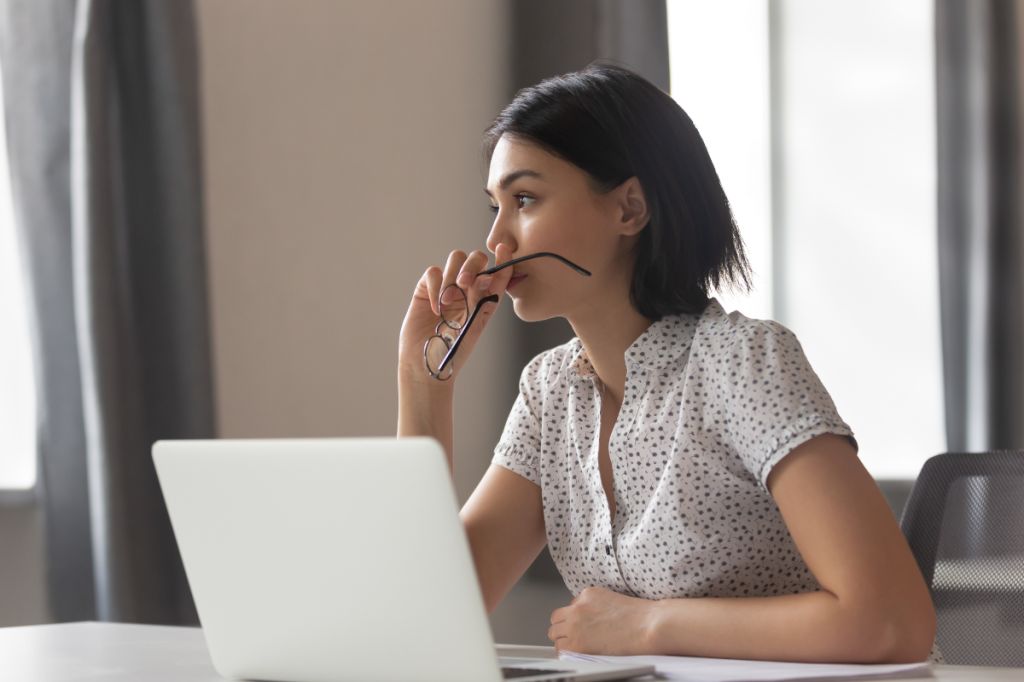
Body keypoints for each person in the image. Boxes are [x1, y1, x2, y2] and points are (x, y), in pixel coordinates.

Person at [396, 62, 938, 664]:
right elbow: (429, 609)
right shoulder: (550, 393)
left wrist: (650, 627)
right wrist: (424, 385)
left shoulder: (743, 364)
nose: (498, 242)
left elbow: (890, 621)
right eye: (495, 205)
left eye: (524, 199)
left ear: (629, 209)